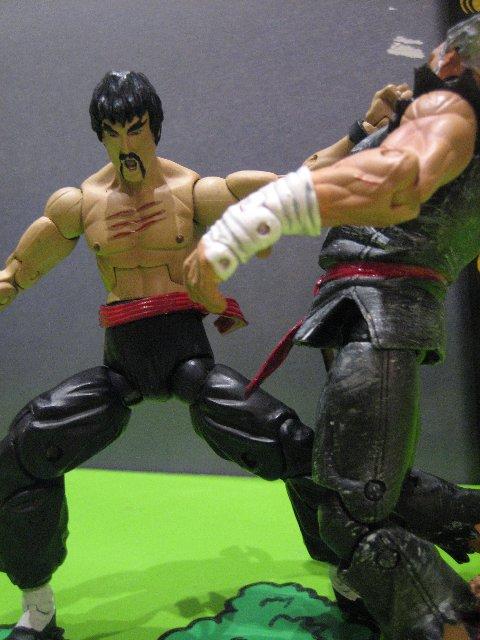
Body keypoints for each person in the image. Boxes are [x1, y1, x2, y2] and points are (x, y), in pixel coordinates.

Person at [184, 14, 480, 639]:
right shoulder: (428, 120)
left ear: (450, 61)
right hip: (367, 309)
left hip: (380, 309)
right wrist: (364, 131)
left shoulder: (449, 107)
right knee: (372, 486)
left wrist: (247, 224)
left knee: (352, 515)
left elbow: (394, 187)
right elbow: (317, 173)